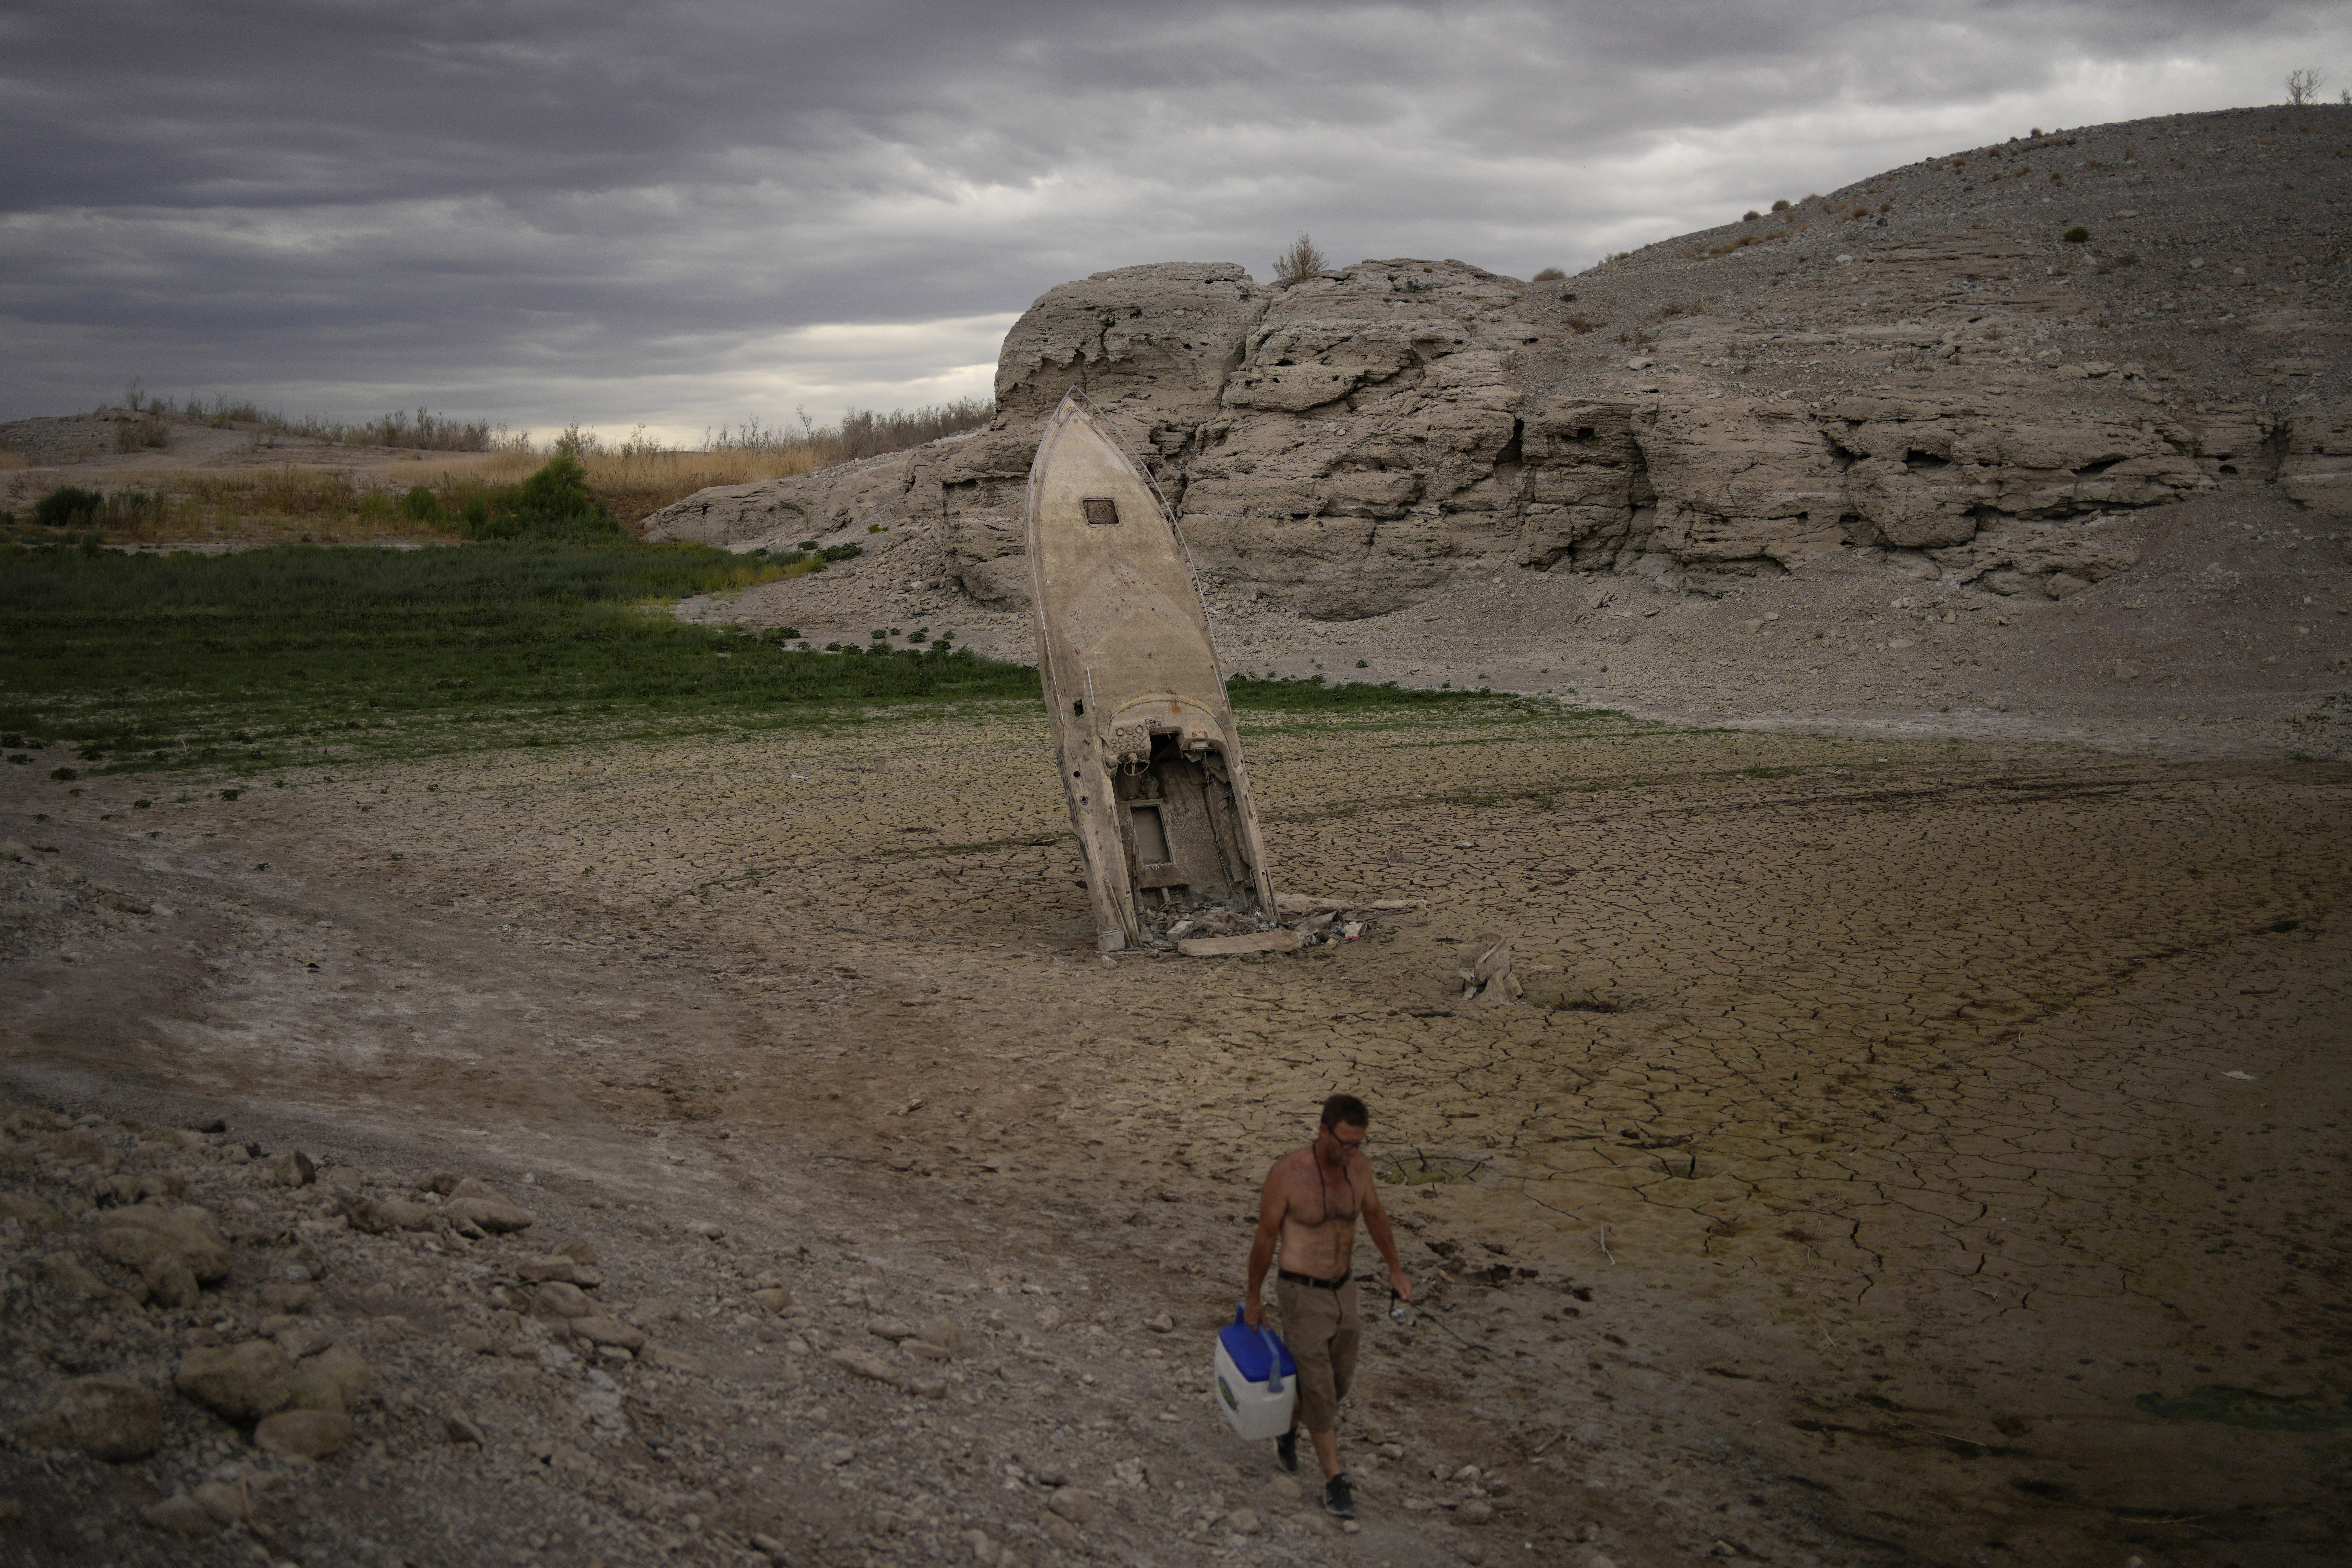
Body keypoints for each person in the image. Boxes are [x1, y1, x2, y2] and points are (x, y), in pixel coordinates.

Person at [1244, 1092, 1411, 1520]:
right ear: (1323, 1132)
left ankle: (1288, 1428)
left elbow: (1374, 1216)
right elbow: (1265, 1238)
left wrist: (1396, 1271)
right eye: (1346, 1143)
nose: (1352, 1151)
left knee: (1337, 1385)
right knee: (1319, 1388)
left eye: (1359, 1144)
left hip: (1345, 1289)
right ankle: (1335, 1481)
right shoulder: (1288, 1175)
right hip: (1301, 1291)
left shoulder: (1360, 1169)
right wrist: (1254, 1299)